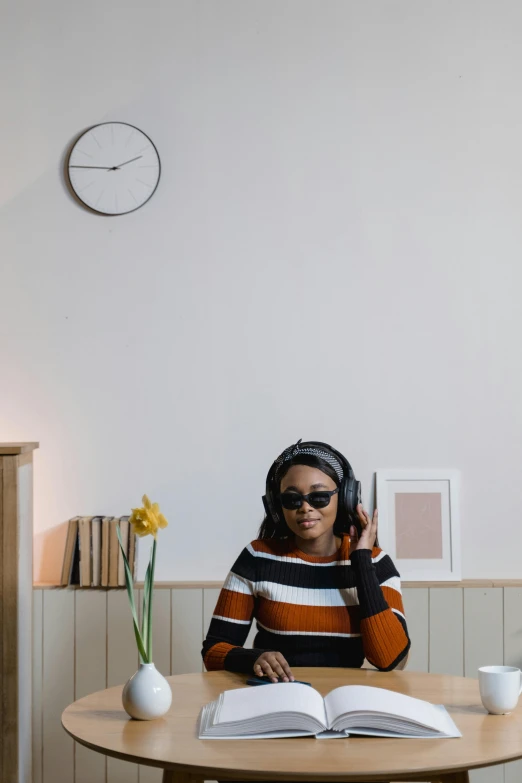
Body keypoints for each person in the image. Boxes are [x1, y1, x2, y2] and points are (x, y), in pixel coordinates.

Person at [202, 439, 410, 682]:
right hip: (279, 698)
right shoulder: (257, 557)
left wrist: (362, 561)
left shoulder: (377, 562)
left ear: (344, 498)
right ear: (277, 506)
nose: (305, 508)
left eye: (319, 496)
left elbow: (391, 659)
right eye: (292, 500)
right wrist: (253, 658)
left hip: (346, 701)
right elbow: (213, 652)